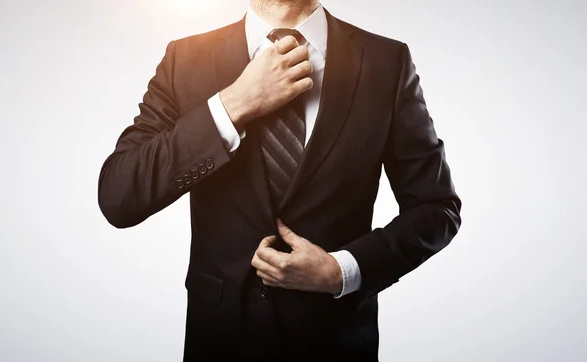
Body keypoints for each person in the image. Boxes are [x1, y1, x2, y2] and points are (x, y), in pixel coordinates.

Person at [97, 0, 462, 361]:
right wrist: (232, 105)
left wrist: (342, 270)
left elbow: (436, 208)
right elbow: (119, 195)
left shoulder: (386, 61)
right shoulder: (185, 58)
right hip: (221, 340)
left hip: (335, 343)